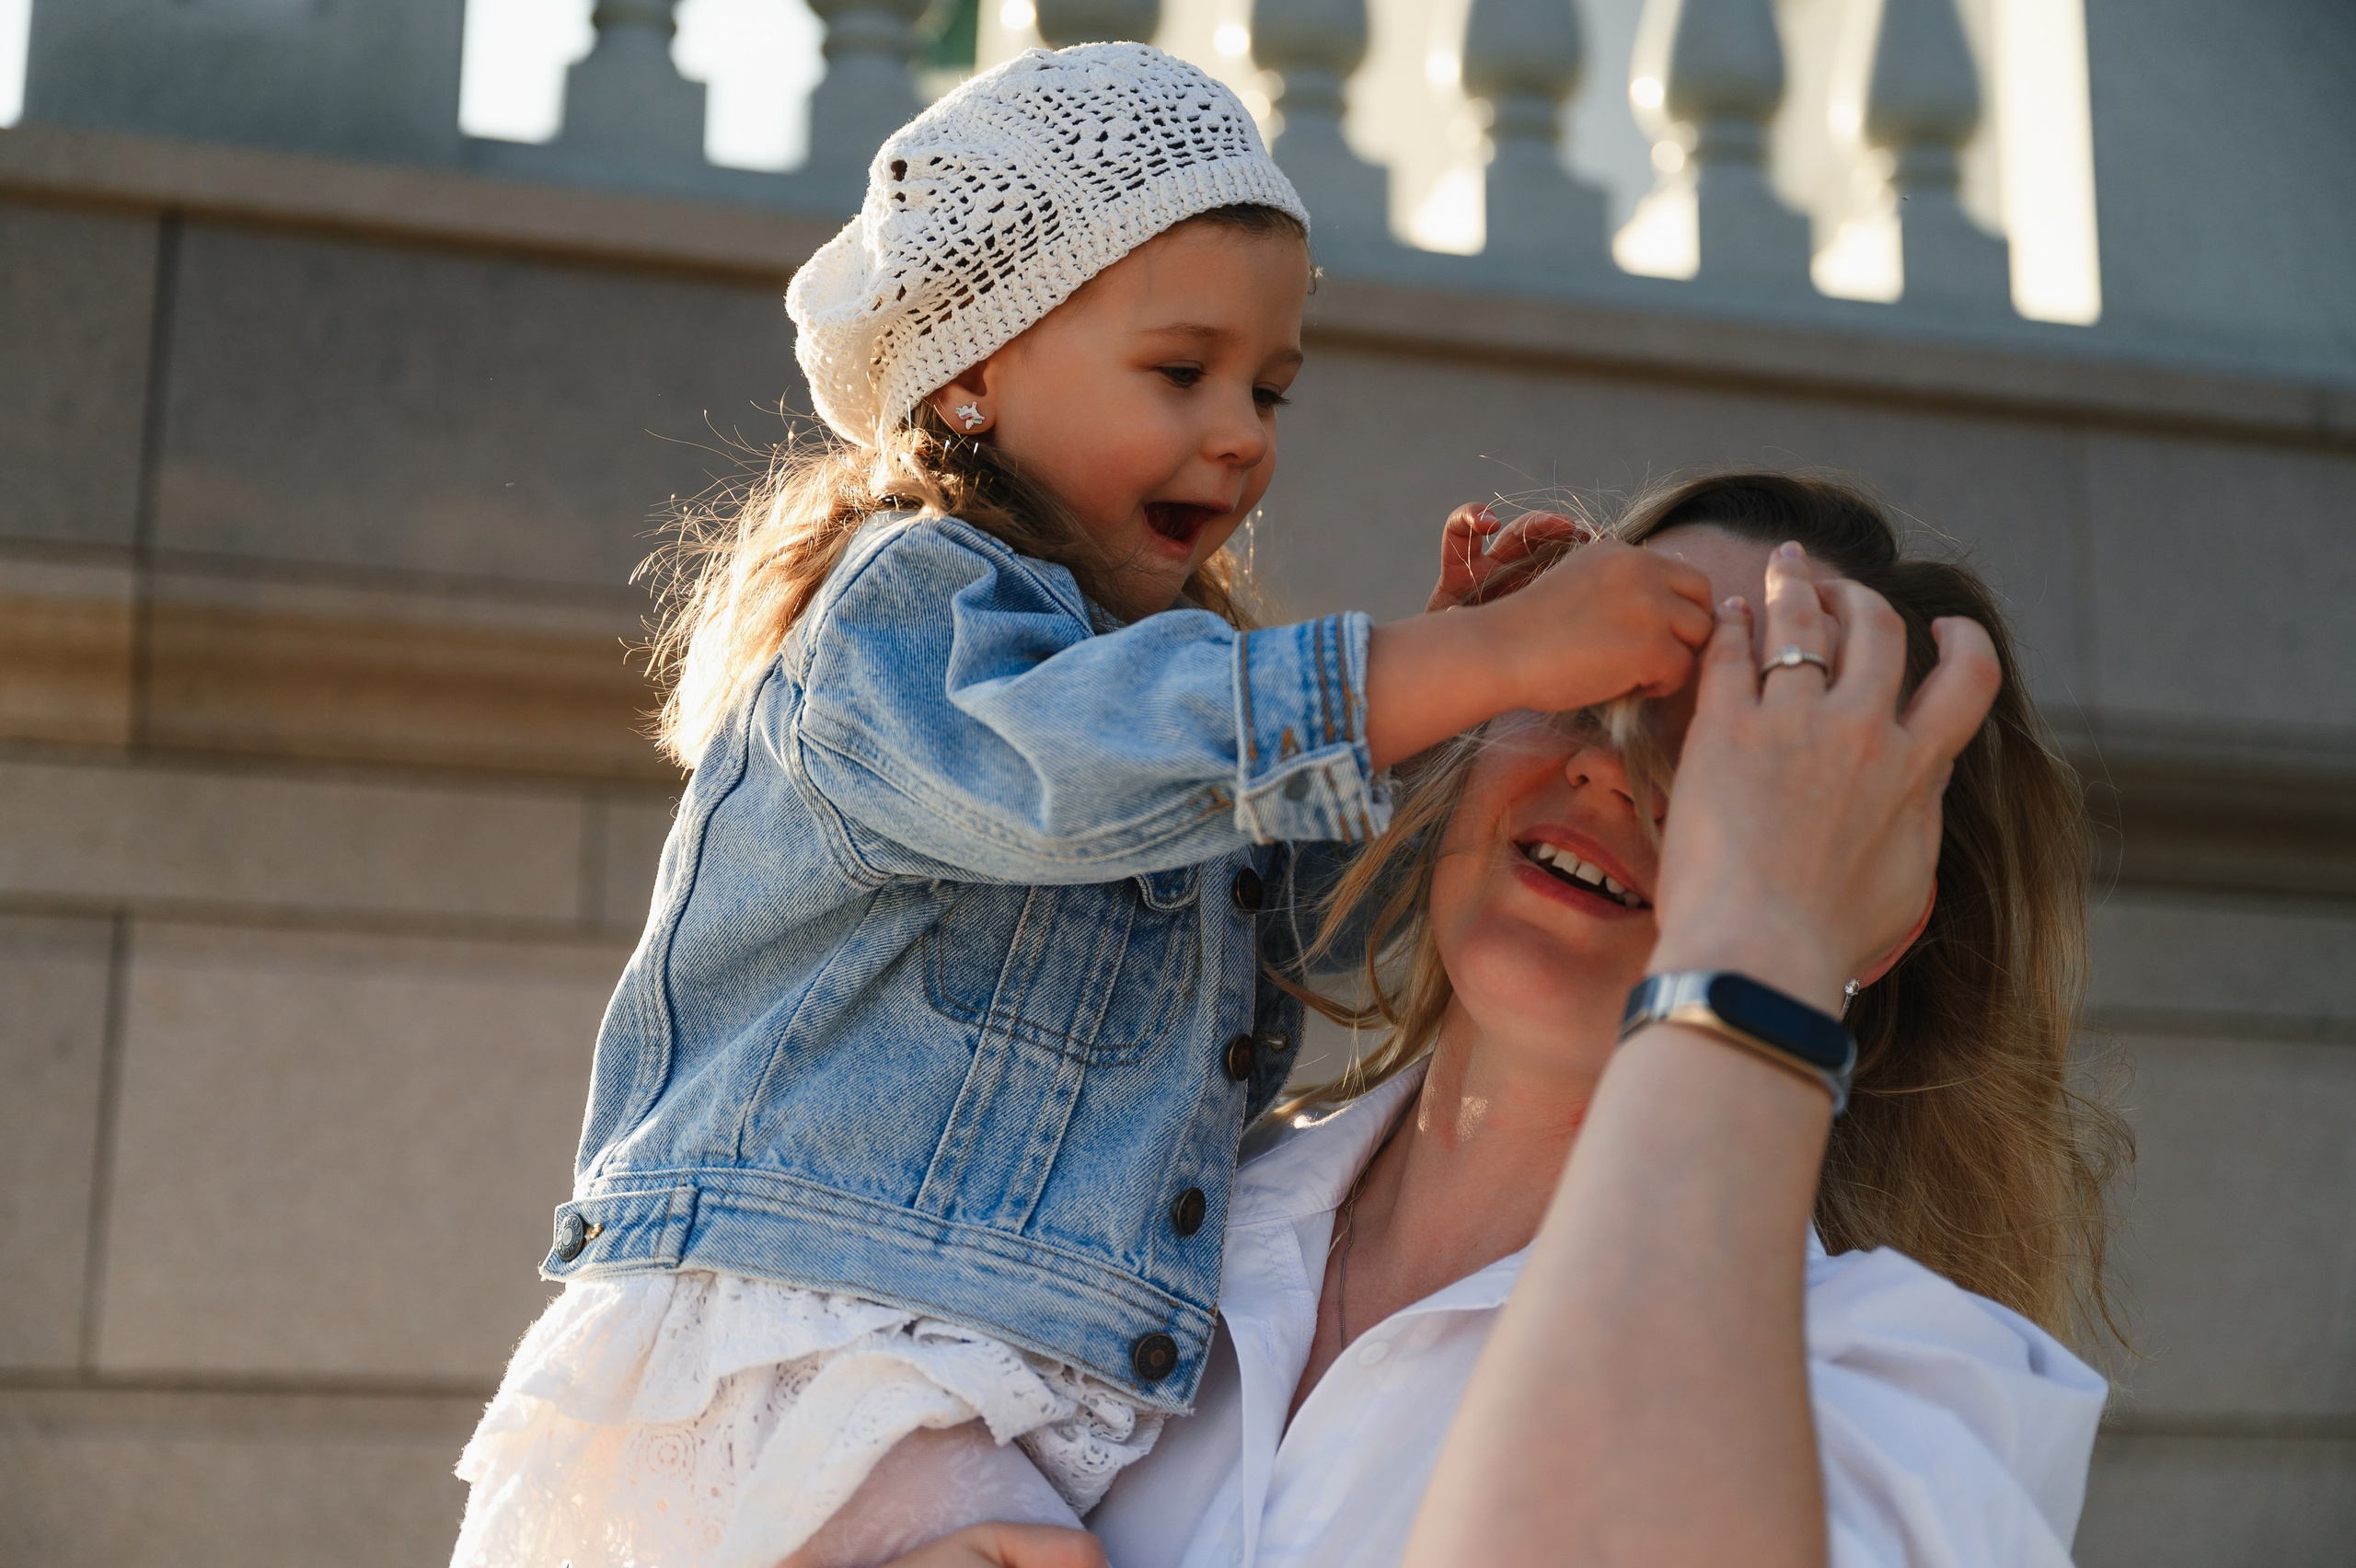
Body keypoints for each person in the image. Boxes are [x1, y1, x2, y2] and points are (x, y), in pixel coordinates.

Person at [448, 43, 1723, 1568]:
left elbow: (1309, 927)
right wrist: (1454, 660)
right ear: (976, 372)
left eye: (1269, 386)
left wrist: (1442, 712)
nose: (1243, 429)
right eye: (1180, 372)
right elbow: (1064, 769)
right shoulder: (910, 611)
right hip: (813, 1343)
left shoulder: (1181, 684)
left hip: (972, 1382)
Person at [881, 473, 2127, 1568]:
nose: (1611, 766)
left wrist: (1756, 949)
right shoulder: (1110, 1211)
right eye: (1594, 684)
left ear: (1863, 905)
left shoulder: (1912, 1399)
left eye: (1733, 762)